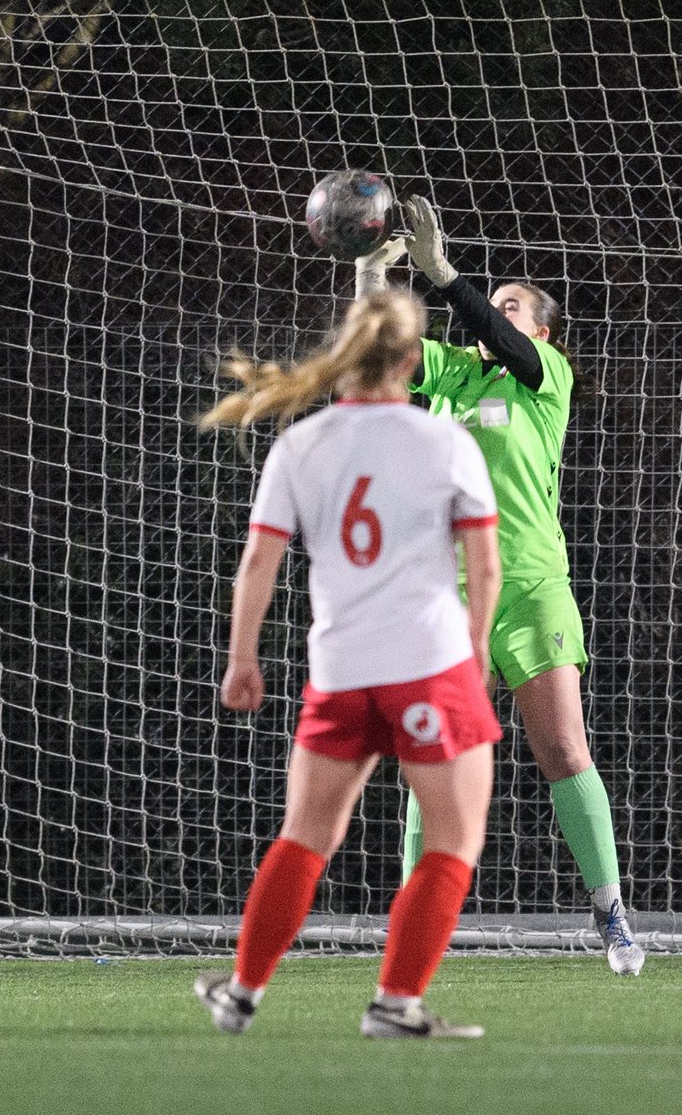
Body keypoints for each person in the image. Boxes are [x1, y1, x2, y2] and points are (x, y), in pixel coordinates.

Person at [194, 288, 503, 1039]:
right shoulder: (444, 441)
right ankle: (396, 1004)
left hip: (340, 670)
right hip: (426, 666)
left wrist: (242, 660)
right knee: (452, 840)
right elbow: (485, 566)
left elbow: (258, 564)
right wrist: (474, 646)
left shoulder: (301, 444)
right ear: (410, 361)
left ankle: (240, 993)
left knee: (306, 835)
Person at [356, 199, 645, 976]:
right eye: (496, 302)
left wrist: (445, 275)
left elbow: (506, 340)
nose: (499, 312)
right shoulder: (452, 374)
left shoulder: (543, 376)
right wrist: (369, 278)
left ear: (540, 332)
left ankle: (611, 911)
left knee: (561, 746)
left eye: (514, 306)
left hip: (532, 587)